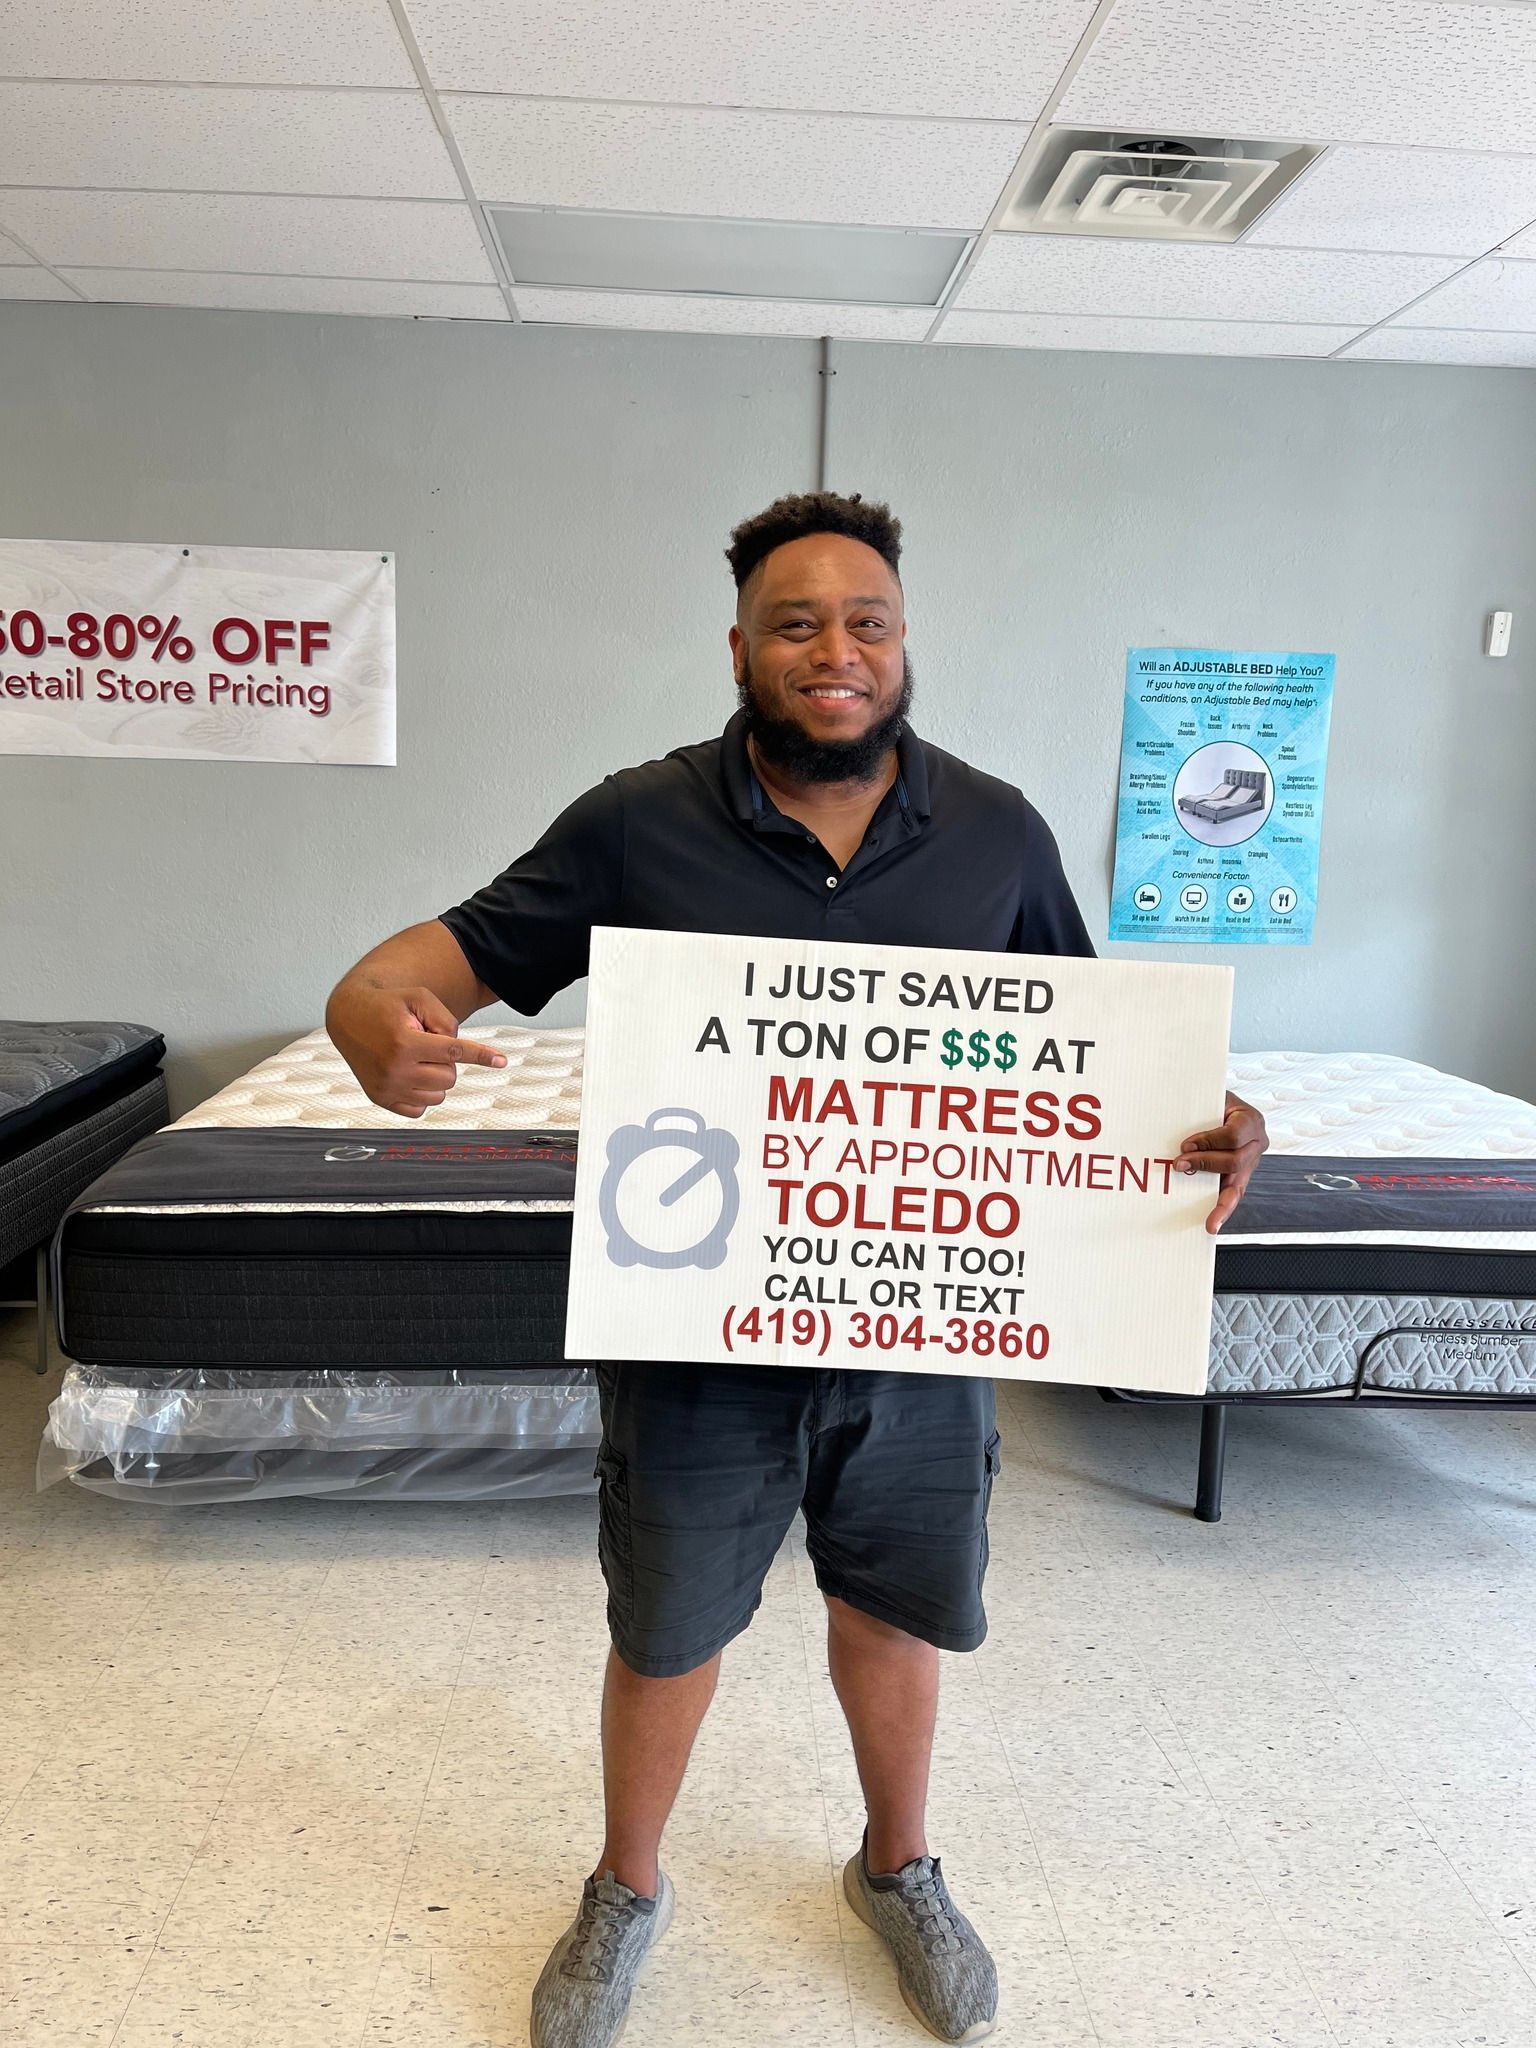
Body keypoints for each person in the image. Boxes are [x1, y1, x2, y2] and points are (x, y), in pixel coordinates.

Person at [326, 492, 1269, 2047]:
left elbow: (1091, 1060)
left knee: (897, 1612)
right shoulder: (637, 823)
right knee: (668, 1627)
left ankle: (897, 1867)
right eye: (797, 624)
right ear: (742, 648)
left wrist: (1209, 1118)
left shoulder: (999, 834)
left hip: (920, 1336)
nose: (835, 651)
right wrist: (375, 1021)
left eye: (867, 623)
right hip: (696, 1333)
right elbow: (427, 966)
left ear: (904, 642)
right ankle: (628, 1886)